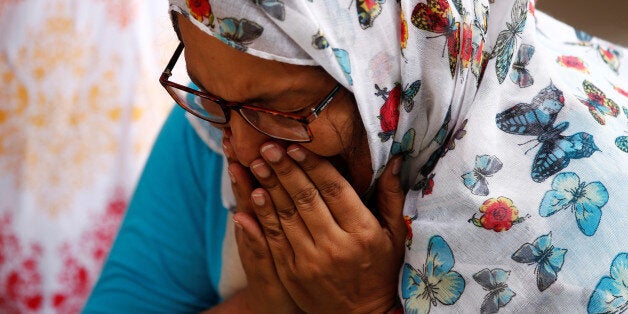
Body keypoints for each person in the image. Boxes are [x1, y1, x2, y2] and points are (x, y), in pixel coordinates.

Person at [85, 0, 628, 313]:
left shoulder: (582, 222)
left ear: (405, 75)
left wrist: (370, 309)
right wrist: (270, 307)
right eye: (210, 96)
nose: (243, 150)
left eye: (285, 112)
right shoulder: (219, 122)